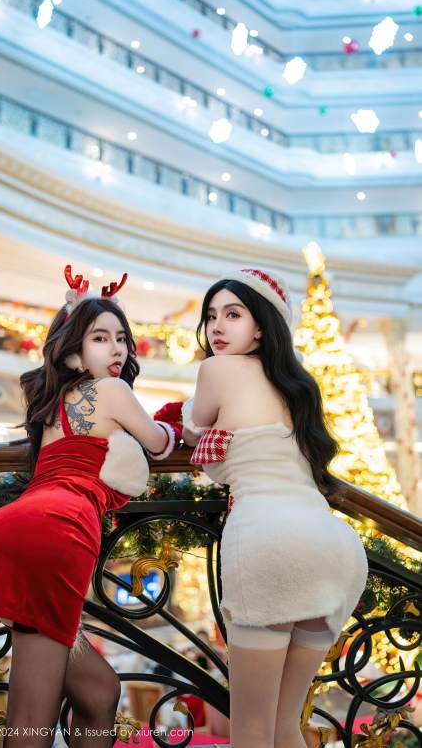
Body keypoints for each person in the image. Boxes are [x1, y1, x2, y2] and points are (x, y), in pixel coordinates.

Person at [0, 265, 178, 748]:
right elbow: (160, 443)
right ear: (75, 349)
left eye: (122, 339)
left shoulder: (53, 403)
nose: (117, 349)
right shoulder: (113, 391)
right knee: (31, 722)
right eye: (101, 338)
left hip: (8, 530)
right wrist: (177, 421)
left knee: (100, 691)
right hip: (57, 534)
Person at [181, 267, 369, 748]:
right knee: (286, 726)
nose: (217, 326)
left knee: (251, 729)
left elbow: (194, 429)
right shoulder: (296, 383)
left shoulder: (216, 369)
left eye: (233, 314)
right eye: (211, 316)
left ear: (262, 325)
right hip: (331, 548)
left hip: (267, 542)